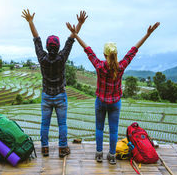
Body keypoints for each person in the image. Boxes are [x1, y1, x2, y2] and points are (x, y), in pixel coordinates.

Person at [66, 21, 160, 164]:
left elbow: (88, 50)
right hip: (115, 103)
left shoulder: (99, 66)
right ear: (116, 54)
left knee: (99, 128)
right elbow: (134, 50)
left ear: (104, 54)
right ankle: (111, 156)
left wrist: (76, 34)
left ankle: (98, 154)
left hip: (101, 102)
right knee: (114, 130)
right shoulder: (121, 66)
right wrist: (147, 34)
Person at [22, 9, 88, 158]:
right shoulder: (62, 57)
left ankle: (44, 149)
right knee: (62, 124)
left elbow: (36, 38)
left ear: (46, 47)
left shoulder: (42, 58)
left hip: (46, 95)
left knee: (44, 124)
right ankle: (62, 148)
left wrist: (30, 21)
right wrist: (79, 23)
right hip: (60, 95)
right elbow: (71, 40)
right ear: (58, 47)